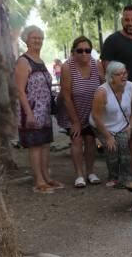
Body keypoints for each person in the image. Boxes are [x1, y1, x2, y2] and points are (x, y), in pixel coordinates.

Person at [100, 5, 132, 177]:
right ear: (122, 20)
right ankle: (118, 170)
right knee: (119, 132)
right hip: (119, 95)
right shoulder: (112, 41)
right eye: (127, 19)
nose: (130, 23)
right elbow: (105, 66)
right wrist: (112, 90)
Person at [14, 25, 62, 194]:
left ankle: (46, 176)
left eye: (40, 38)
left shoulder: (40, 61)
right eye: (34, 38)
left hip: (45, 110)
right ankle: (38, 181)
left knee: (45, 144)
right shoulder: (23, 61)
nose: (38, 41)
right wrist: (29, 114)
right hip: (31, 110)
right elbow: (20, 90)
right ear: (26, 40)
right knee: (35, 145)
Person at [59, 36, 104, 188]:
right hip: (73, 111)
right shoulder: (67, 67)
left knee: (91, 141)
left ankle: (90, 172)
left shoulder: (96, 64)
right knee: (77, 139)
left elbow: (104, 85)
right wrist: (75, 122)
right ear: (73, 52)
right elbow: (66, 95)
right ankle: (79, 174)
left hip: (91, 112)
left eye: (87, 50)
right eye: (80, 51)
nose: (84, 54)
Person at [90, 61, 132, 188]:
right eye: (119, 74)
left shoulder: (130, 86)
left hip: (123, 124)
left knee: (123, 145)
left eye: (125, 73)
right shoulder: (102, 92)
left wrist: (131, 125)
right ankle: (113, 176)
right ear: (111, 77)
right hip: (103, 125)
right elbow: (96, 117)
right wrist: (107, 137)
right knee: (112, 148)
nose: (124, 76)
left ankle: (126, 177)